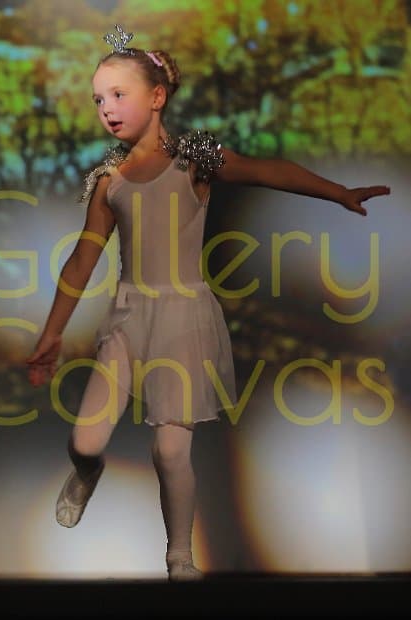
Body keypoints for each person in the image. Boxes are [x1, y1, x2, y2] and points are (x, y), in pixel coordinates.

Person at [25, 24, 391, 581]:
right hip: (129, 317)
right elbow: (81, 260)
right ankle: (87, 470)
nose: (107, 109)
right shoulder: (110, 182)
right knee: (86, 439)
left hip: (183, 317)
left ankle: (180, 556)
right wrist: (52, 332)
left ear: (157, 97)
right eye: (99, 99)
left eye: (118, 94)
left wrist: (337, 192)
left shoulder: (194, 159)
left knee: (171, 452)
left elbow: (266, 172)